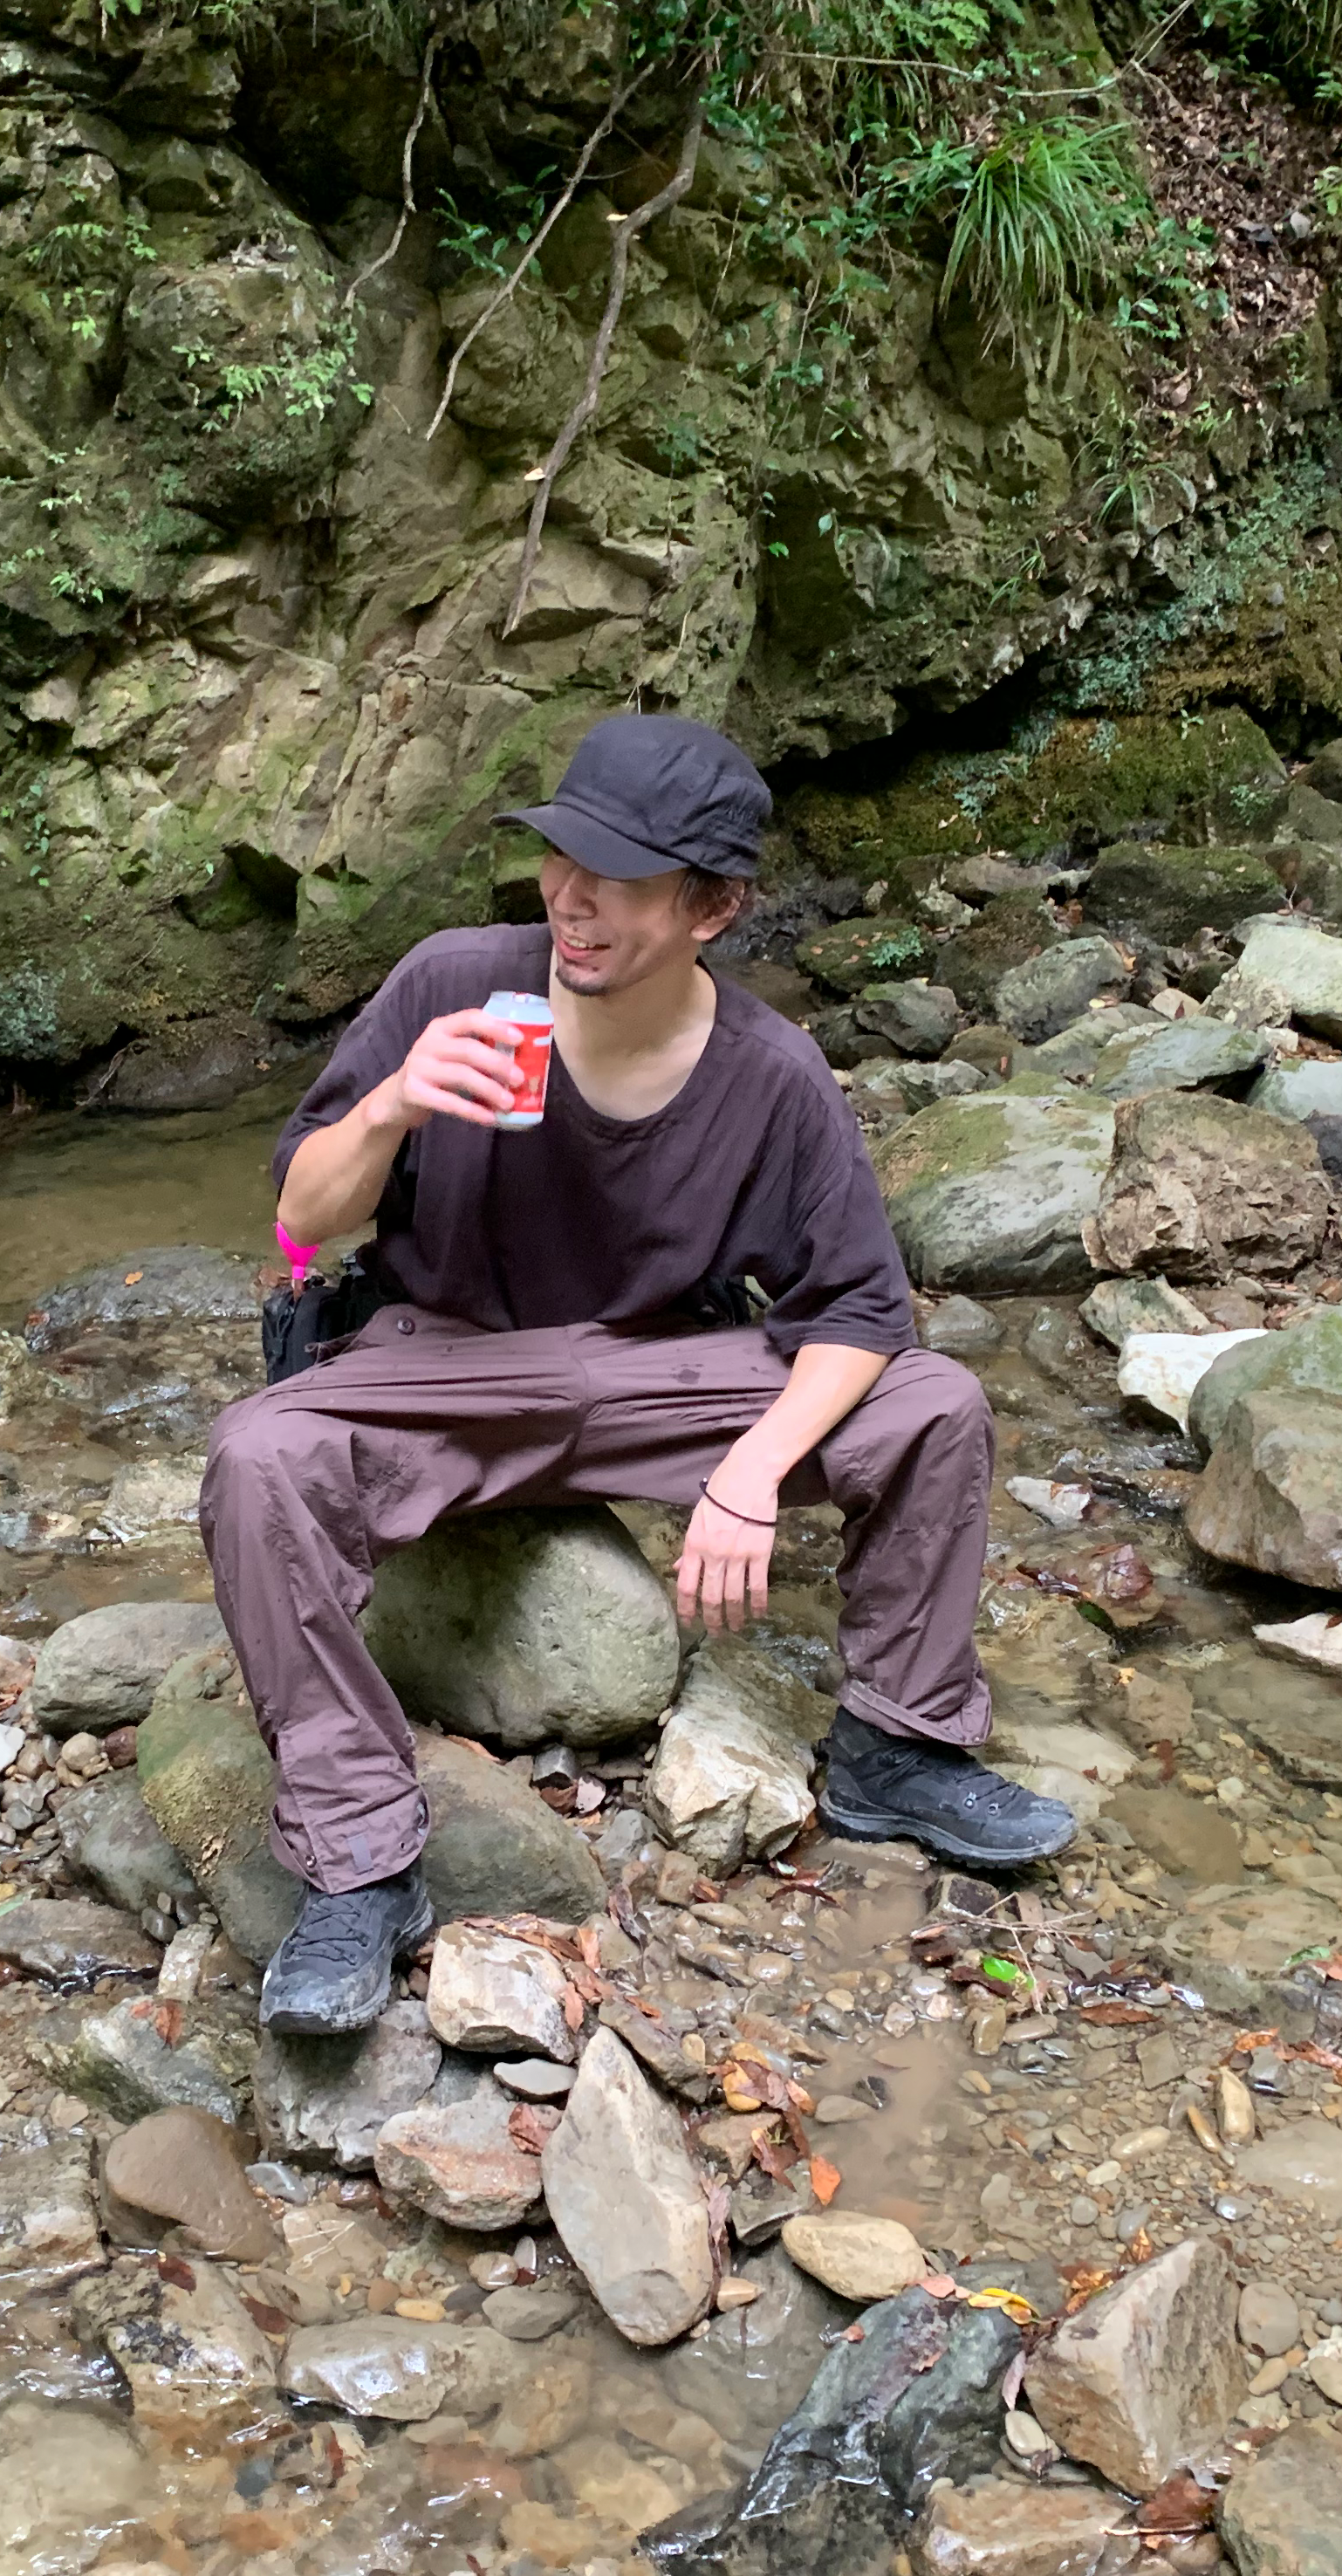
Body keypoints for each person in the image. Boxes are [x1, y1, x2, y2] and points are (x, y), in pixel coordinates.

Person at [199, 710, 1074, 2038]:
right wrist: (391, 1107)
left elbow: (862, 1309)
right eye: (560, 859)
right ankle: (361, 1862)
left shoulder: (771, 1078)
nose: (573, 900)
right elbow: (305, 1221)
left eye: (617, 875)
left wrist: (753, 1472)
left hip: (660, 1377)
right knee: (259, 1457)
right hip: (443, 1366)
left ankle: (898, 1746)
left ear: (713, 907)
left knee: (935, 1407)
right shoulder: (453, 984)